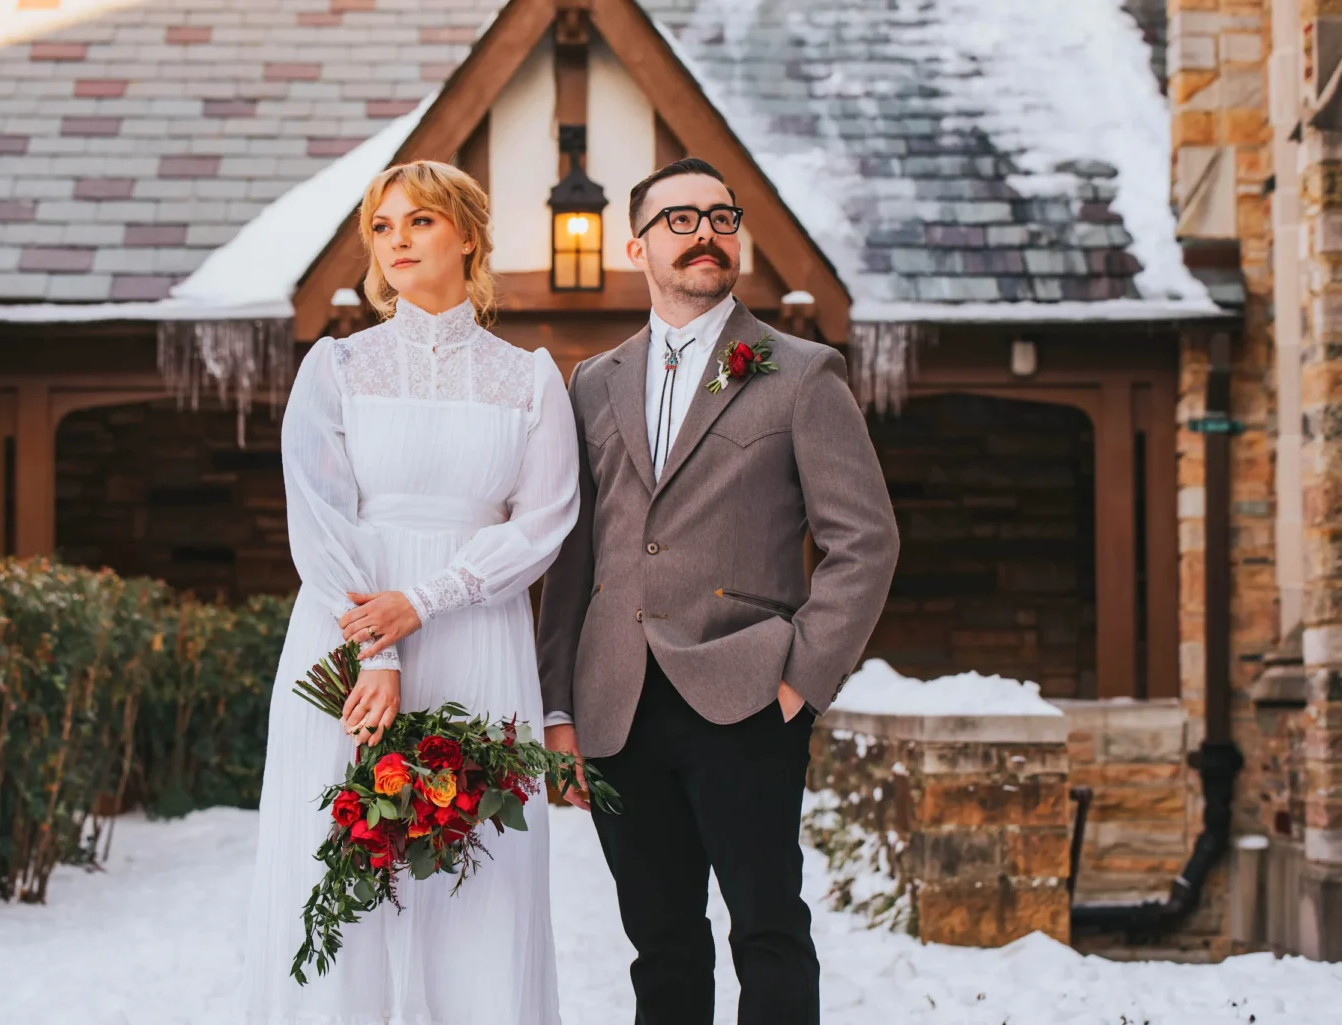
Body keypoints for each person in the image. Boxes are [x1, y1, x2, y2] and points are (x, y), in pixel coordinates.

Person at [536, 157, 899, 1025]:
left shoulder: (802, 373)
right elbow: (573, 556)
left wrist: (801, 678)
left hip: (745, 697)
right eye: (681, 219)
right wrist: (556, 708)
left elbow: (865, 541)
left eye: (722, 216)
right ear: (636, 246)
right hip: (616, 702)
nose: (707, 231)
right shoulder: (592, 382)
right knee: (661, 943)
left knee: (768, 932)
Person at [242, 160, 580, 1025]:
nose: (397, 241)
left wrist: (426, 599)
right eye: (382, 227)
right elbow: (319, 516)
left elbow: (545, 520)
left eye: (419, 222)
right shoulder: (337, 367)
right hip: (349, 635)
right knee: (346, 862)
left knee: (479, 870)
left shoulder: (530, 377)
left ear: (467, 234)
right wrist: (381, 645)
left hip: (477, 636)